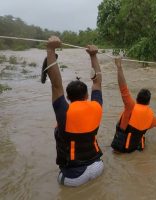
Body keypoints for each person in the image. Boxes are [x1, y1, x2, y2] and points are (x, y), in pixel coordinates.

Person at [41, 36, 104, 187]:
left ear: (67, 97)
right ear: (87, 95)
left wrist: (50, 50)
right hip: (97, 166)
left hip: (74, 175)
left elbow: (56, 85)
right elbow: (97, 81)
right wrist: (94, 56)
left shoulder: (64, 112)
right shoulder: (97, 106)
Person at [111, 58, 156, 153]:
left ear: (137, 99)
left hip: (119, 149)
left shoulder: (130, 106)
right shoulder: (151, 117)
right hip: (135, 150)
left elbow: (123, 88)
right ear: (148, 102)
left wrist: (119, 67)